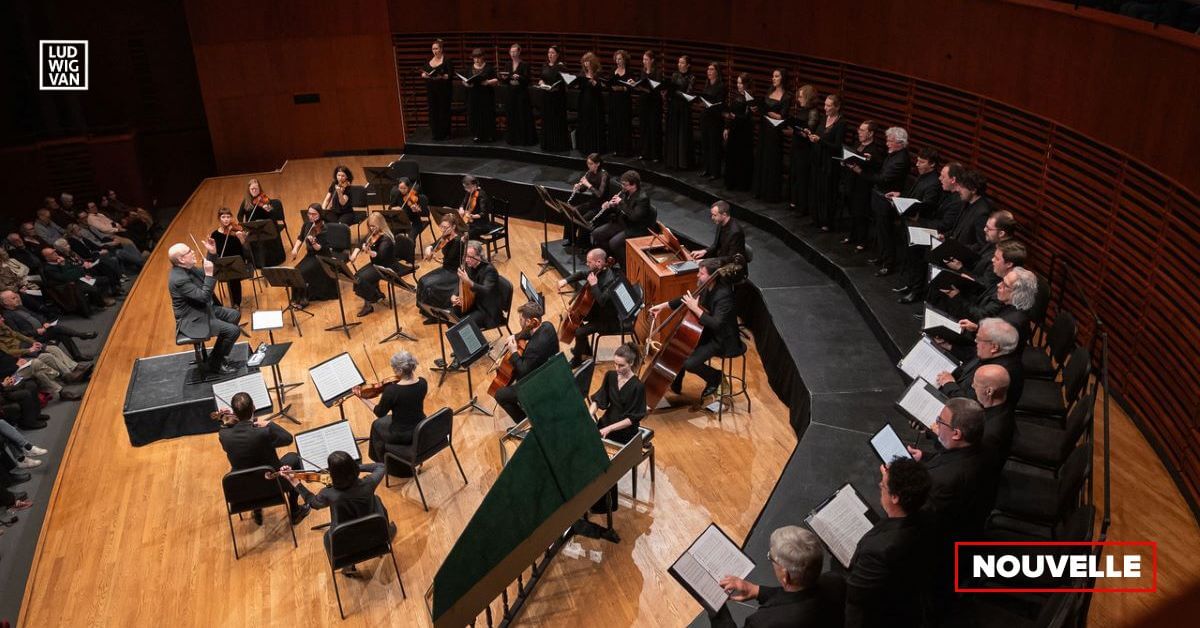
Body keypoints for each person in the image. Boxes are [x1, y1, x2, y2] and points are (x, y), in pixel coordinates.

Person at [905, 398, 988, 624]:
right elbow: (949, 460)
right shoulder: (978, 448)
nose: (936, 423)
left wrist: (893, 487)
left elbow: (918, 520)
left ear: (957, 433)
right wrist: (924, 458)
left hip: (940, 557)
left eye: (941, 421)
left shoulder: (944, 481)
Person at [844, 458, 931, 628]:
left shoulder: (878, 550)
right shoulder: (928, 515)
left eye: (883, 485)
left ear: (895, 497)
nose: (879, 485)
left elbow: (856, 597)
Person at [284, 451, 394, 576]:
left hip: (345, 543)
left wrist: (296, 483)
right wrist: (354, 468)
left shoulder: (328, 494)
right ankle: (387, 533)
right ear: (353, 467)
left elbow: (313, 503)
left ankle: (347, 566)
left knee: (328, 535)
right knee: (377, 500)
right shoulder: (368, 483)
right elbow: (381, 466)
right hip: (375, 535)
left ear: (333, 474)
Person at [712, 526, 842, 628]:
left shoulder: (765, 623)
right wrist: (756, 590)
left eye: (771, 557)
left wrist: (716, 608)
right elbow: (800, 596)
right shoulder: (836, 582)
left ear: (785, 575)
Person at [648, 259, 741, 399]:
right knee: (678, 347)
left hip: (723, 339)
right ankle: (676, 380)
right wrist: (663, 306)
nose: (698, 275)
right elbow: (687, 299)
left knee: (689, 363)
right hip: (707, 332)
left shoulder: (724, 296)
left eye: (701, 273)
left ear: (712, 276)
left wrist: (695, 308)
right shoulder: (706, 285)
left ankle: (716, 377)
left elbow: (716, 324)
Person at [216, 391, 310, 525]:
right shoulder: (263, 433)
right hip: (273, 484)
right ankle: (295, 510)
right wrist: (269, 424)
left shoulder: (224, 434)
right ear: (254, 408)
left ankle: (257, 509)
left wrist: (224, 420)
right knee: (294, 458)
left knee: (247, 465)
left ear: (234, 413)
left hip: (244, 489)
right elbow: (287, 439)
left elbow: (229, 432)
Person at [168, 241, 241, 375]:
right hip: (193, 318)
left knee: (234, 315)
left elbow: (208, 270)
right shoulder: (178, 279)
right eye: (189, 251)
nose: (193, 252)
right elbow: (203, 297)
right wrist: (208, 275)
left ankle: (216, 356)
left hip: (202, 309)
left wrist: (212, 254)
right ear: (181, 259)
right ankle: (216, 364)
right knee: (232, 331)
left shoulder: (187, 268)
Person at [354, 351, 427, 469]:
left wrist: (362, 398)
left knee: (376, 426)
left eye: (393, 368)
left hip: (403, 434)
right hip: (420, 426)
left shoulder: (392, 391)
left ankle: (383, 464)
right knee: (381, 423)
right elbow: (407, 396)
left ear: (399, 371)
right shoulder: (423, 382)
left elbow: (379, 412)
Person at [855, 127, 912, 276]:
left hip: (886, 202)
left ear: (900, 143)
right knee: (880, 230)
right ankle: (882, 256)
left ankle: (888, 263)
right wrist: (871, 160)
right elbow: (882, 168)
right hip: (879, 198)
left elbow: (882, 178)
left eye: (890, 141)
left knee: (887, 233)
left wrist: (861, 172)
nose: (887, 143)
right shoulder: (894, 154)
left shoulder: (901, 159)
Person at [935, 317, 1024, 411]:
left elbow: (971, 406)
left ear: (994, 347)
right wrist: (949, 347)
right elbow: (971, 360)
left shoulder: (996, 373)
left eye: (979, 339)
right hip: (956, 389)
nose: (975, 341)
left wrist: (949, 384)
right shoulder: (994, 353)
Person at [493, 301, 558, 424]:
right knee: (506, 371)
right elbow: (529, 332)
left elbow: (523, 370)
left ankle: (524, 422)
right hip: (551, 373)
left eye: (521, 319)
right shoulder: (547, 326)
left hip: (538, 384)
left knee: (500, 394)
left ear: (529, 321)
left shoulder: (535, 347)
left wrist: (513, 352)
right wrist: (515, 336)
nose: (519, 321)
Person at [559, 248, 622, 366]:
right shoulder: (598, 271)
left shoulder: (611, 280)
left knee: (578, 332)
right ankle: (585, 351)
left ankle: (578, 360)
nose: (587, 264)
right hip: (597, 312)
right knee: (575, 319)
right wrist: (565, 281)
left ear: (598, 262)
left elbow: (602, 300)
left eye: (589, 262)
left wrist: (594, 285)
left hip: (607, 320)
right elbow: (582, 274)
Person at [0, 319, 88, 399]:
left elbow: (7, 356)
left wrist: (18, 360)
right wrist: (16, 364)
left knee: (46, 357)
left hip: (18, 363)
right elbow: (7, 355)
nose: (3, 319)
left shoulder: (4, 327)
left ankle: (65, 382)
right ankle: (63, 378)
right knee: (36, 363)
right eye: (0, 318)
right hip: (10, 375)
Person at [0, 290, 95, 361]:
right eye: (13, 298)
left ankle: (77, 355)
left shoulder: (20, 307)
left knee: (60, 333)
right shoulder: (7, 316)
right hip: (33, 337)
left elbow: (36, 315)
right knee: (57, 330)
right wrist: (36, 331)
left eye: (16, 296)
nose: (17, 299)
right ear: (6, 303)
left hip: (42, 330)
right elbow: (18, 333)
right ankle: (80, 335)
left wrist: (44, 322)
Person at [590, 170, 656, 266]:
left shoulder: (642, 198)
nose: (622, 186)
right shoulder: (626, 192)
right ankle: (611, 258)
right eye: (622, 184)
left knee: (614, 243)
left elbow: (634, 217)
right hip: (623, 222)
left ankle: (625, 267)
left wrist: (620, 203)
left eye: (625, 185)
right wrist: (610, 205)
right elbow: (622, 209)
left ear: (633, 185)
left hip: (635, 228)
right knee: (597, 234)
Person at [840, 120, 885, 251]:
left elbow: (877, 168)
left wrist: (867, 163)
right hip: (852, 182)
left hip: (863, 186)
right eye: (859, 129)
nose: (859, 132)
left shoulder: (875, 150)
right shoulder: (857, 144)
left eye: (862, 130)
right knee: (853, 212)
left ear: (871, 133)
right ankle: (852, 235)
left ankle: (862, 240)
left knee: (861, 213)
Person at [808, 94, 846, 232]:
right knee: (817, 189)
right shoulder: (824, 118)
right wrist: (810, 135)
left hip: (830, 163)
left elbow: (837, 146)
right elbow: (818, 134)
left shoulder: (841, 123)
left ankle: (826, 221)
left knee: (827, 192)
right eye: (825, 105)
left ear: (837, 107)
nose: (825, 108)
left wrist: (820, 141)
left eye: (829, 106)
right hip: (818, 159)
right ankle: (816, 218)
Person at [289, 204, 339, 305]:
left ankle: (304, 299)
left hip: (322, 256)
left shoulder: (324, 228)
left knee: (303, 272)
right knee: (296, 271)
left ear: (319, 214)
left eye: (314, 214)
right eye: (309, 214)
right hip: (311, 255)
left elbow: (319, 248)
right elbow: (301, 237)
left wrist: (314, 243)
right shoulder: (307, 224)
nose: (311, 216)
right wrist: (295, 249)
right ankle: (297, 298)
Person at [351, 212, 398, 317]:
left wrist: (369, 252)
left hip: (386, 266)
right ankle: (376, 295)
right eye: (370, 226)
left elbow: (380, 256)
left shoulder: (386, 238)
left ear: (380, 224)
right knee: (357, 276)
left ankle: (372, 300)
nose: (371, 228)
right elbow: (361, 242)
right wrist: (354, 254)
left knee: (361, 279)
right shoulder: (372, 234)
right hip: (376, 264)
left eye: (374, 226)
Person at [752, 69, 788, 202]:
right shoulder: (769, 90)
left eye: (776, 76)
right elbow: (764, 107)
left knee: (772, 160)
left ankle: (770, 194)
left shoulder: (786, 96)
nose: (773, 78)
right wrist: (757, 108)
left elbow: (782, 116)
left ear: (783, 78)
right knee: (761, 157)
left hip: (775, 131)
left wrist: (768, 111)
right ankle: (759, 190)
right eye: (773, 76)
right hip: (764, 128)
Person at [417, 215, 465, 313]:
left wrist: (435, 258)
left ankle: (433, 313)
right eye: (441, 227)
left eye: (445, 227)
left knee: (428, 285)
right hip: (446, 268)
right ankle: (424, 309)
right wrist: (429, 248)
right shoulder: (446, 236)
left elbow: (448, 260)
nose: (443, 229)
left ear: (453, 227)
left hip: (454, 272)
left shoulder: (457, 241)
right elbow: (435, 244)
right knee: (421, 280)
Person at [41, 246, 116, 308]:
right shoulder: (48, 269)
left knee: (104, 279)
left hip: (79, 279)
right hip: (70, 286)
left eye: (54, 251)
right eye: (52, 253)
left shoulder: (61, 260)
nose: (55, 253)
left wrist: (82, 275)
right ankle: (101, 304)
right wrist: (64, 266)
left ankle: (102, 297)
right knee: (93, 287)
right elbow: (65, 278)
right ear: (47, 258)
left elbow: (77, 268)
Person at [452, 240, 503, 330]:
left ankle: (477, 343)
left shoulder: (489, 270)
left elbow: (486, 290)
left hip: (487, 310)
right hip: (473, 303)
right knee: (452, 315)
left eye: (470, 257)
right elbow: (461, 281)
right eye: (465, 256)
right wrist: (454, 295)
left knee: (463, 327)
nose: (467, 259)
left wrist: (468, 281)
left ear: (479, 256)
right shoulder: (469, 265)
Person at [236, 178, 287, 267]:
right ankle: (257, 262)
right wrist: (244, 227)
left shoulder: (265, 200)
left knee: (265, 238)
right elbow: (239, 215)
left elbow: (273, 215)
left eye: (256, 188)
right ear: (249, 190)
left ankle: (270, 262)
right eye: (252, 189)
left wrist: (265, 207)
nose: (255, 191)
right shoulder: (246, 201)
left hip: (266, 226)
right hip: (253, 228)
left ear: (260, 189)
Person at [566, 153, 612, 249]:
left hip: (602, 206)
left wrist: (588, 184)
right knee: (572, 212)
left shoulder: (604, 175)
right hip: (593, 202)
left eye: (591, 164)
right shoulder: (590, 173)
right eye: (588, 163)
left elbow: (600, 194)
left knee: (584, 220)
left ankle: (583, 245)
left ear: (598, 164)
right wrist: (579, 187)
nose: (589, 166)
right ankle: (571, 240)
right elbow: (583, 189)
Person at [787, 85, 822, 212]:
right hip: (797, 146)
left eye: (801, 97)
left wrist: (801, 131)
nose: (799, 99)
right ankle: (794, 201)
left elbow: (810, 130)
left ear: (808, 97)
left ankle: (802, 205)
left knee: (802, 177)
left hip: (805, 149)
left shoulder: (813, 112)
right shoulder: (802, 110)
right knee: (795, 174)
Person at [723, 73, 756, 191]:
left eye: (741, 83)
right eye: (737, 83)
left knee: (742, 157)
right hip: (734, 130)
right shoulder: (736, 95)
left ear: (746, 84)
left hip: (744, 132)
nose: (738, 85)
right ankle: (731, 182)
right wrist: (727, 127)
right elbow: (730, 111)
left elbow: (748, 117)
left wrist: (734, 117)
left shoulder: (750, 97)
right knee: (731, 156)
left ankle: (742, 184)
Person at [210, 208, 247, 309]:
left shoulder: (236, 231)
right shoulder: (215, 235)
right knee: (209, 277)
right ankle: (216, 306)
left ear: (231, 218)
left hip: (237, 262)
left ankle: (236, 304)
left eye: (228, 217)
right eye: (223, 217)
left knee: (233, 276)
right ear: (219, 219)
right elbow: (213, 252)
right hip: (222, 263)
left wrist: (241, 238)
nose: (226, 219)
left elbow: (246, 250)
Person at [690, 201, 747, 267]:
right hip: (721, 259)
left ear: (724, 215)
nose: (712, 218)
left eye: (715, 215)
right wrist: (704, 251)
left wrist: (708, 261)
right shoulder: (721, 223)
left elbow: (732, 259)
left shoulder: (736, 232)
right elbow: (715, 245)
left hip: (731, 267)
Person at [503, 43, 537, 146]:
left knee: (522, 116)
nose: (512, 54)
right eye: (511, 52)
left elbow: (528, 80)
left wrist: (520, 77)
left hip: (521, 95)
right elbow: (505, 80)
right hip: (511, 94)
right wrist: (505, 78)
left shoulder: (524, 65)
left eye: (514, 52)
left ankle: (523, 140)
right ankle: (513, 139)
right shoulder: (507, 64)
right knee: (512, 116)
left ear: (519, 52)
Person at [664, 55, 695, 170]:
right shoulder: (675, 75)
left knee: (682, 135)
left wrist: (676, 92)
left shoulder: (691, 77)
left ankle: (683, 163)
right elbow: (670, 91)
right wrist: (666, 93)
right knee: (673, 133)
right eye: (679, 62)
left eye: (682, 63)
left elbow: (689, 93)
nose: (679, 64)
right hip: (673, 107)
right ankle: (672, 162)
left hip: (684, 109)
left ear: (688, 65)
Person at [538, 45, 571, 152]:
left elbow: (568, 81)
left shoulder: (561, 67)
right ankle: (547, 144)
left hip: (557, 99)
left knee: (556, 121)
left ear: (557, 55)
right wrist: (541, 82)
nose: (550, 55)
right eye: (549, 53)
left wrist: (556, 87)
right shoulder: (544, 65)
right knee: (547, 121)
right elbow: (541, 78)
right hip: (546, 97)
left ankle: (558, 145)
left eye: (552, 53)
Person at [697, 62, 726, 180]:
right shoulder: (707, 84)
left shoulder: (721, 86)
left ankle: (715, 171)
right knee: (706, 144)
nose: (709, 71)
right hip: (705, 117)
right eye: (708, 69)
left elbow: (720, 104)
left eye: (711, 69)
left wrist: (711, 104)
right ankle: (707, 169)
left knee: (714, 146)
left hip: (715, 119)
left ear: (717, 72)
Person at [575, 52, 607, 154]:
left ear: (592, 62)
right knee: (585, 124)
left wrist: (593, 81)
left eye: (588, 62)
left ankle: (595, 148)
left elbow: (602, 87)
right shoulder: (582, 73)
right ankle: (585, 147)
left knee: (594, 124)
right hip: (584, 101)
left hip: (595, 102)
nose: (586, 64)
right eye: (584, 62)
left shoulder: (598, 73)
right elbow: (579, 85)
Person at [635, 50, 664, 162]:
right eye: (643, 59)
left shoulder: (658, 72)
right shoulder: (642, 71)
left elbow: (657, 88)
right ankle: (644, 153)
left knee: (654, 128)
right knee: (644, 127)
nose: (644, 61)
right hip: (644, 102)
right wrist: (635, 84)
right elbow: (640, 84)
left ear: (652, 60)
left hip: (654, 103)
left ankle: (655, 155)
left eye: (646, 59)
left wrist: (645, 89)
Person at [422, 39, 453, 140]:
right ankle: (436, 133)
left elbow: (450, 75)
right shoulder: (428, 60)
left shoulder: (447, 60)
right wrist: (424, 75)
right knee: (433, 111)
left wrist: (442, 76)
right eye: (433, 49)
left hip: (444, 90)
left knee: (443, 110)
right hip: (431, 90)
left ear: (441, 49)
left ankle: (445, 133)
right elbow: (424, 72)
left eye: (436, 48)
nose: (434, 51)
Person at [464, 48, 498, 143]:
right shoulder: (469, 68)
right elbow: (465, 81)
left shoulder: (489, 68)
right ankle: (476, 134)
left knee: (486, 114)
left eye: (478, 58)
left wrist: (488, 82)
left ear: (483, 57)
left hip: (486, 95)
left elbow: (496, 80)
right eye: (474, 58)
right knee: (475, 114)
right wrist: (467, 84)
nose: (476, 60)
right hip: (473, 95)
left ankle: (489, 135)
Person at [607, 50, 634, 156]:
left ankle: (625, 150)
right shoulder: (613, 70)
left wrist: (623, 88)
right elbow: (608, 84)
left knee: (624, 124)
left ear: (625, 60)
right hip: (614, 101)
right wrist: (612, 87)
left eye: (620, 59)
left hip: (624, 101)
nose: (618, 61)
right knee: (615, 124)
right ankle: (616, 148)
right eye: (616, 59)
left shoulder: (629, 71)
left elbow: (632, 87)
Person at [458, 175, 499, 240]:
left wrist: (472, 216)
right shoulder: (470, 192)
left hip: (482, 225)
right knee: (457, 230)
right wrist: (461, 208)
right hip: (472, 222)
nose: (466, 190)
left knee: (465, 235)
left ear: (474, 185)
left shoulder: (481, 195)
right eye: (465, 188)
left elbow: (483, 213)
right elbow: (464, 202)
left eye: (468, 187)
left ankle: (470, 247)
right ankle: (463, 248)